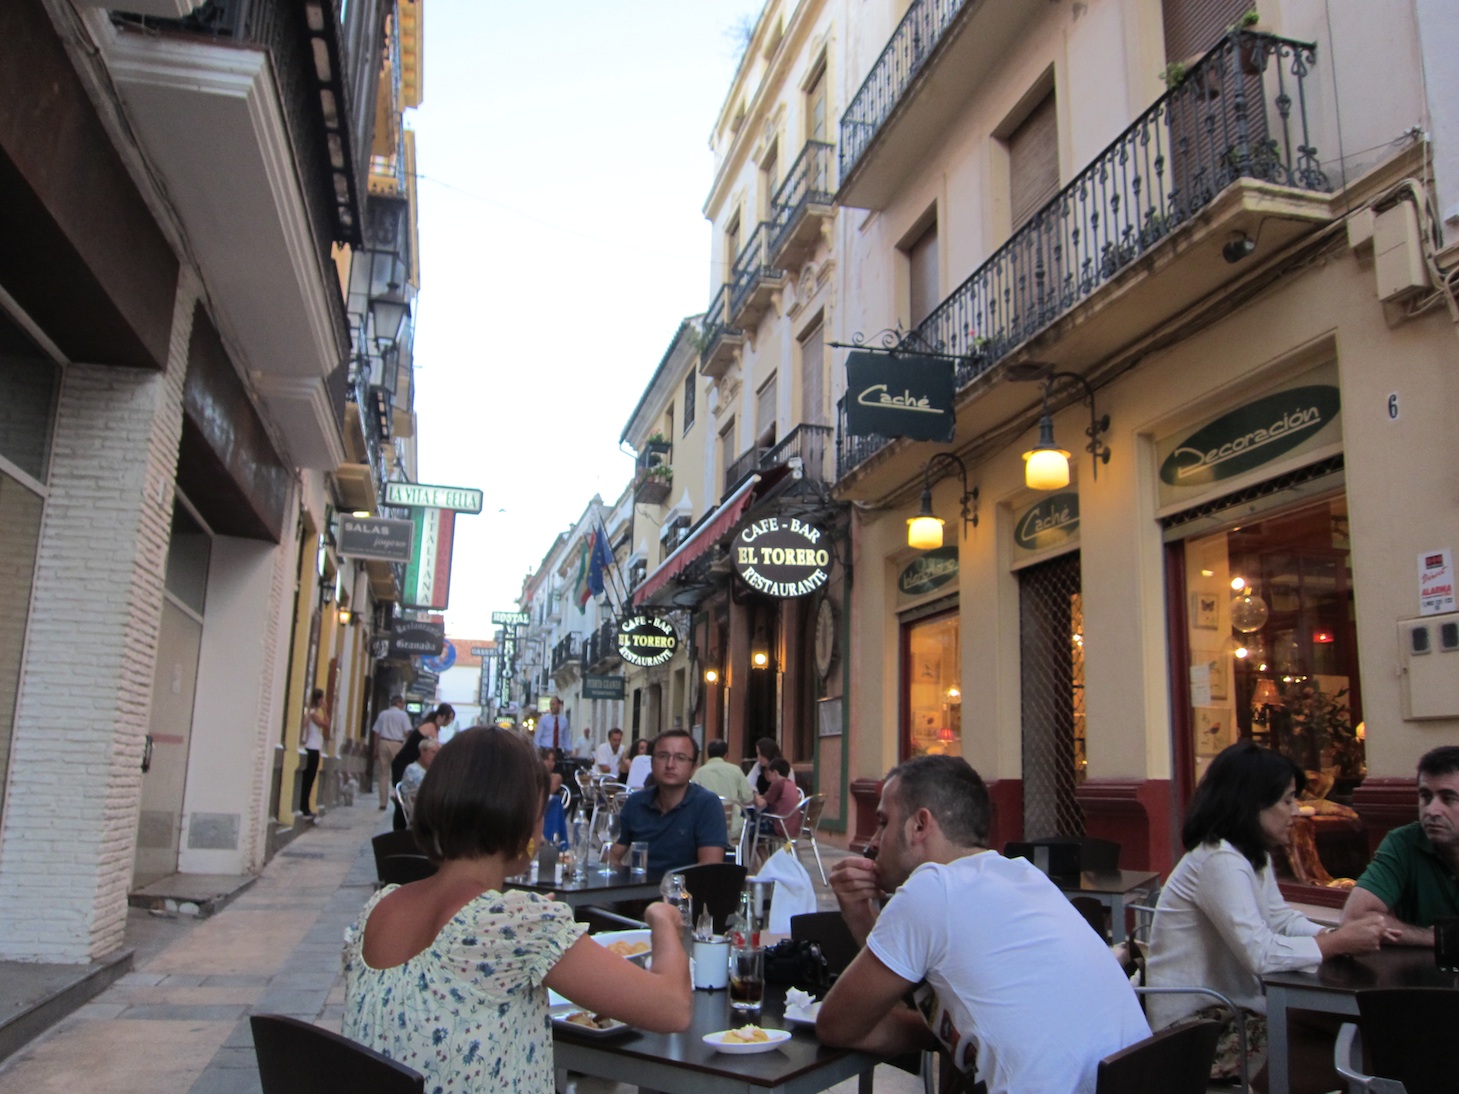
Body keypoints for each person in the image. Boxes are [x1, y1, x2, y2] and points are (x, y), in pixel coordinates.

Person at [342, 727, 690, 1093]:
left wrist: (527, 922)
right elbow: (672, 1008)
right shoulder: (518, 924)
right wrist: (664, 921)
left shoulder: (379, 908)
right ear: (520, 821)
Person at [816, 755, 1149, 1094]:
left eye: (883, 822)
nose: (873, 842)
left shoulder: (931, 888)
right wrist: (931, 1030)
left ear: (919, 826)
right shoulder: (1024, 874)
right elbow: (912, 999)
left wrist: (858, 916)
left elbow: (837, 1025)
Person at [1145, 742, 1395, 1088]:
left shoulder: (1250, 855)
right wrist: (1339, 942)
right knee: (1367, 1057)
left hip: (1239, 1010)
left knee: (1361, 1032)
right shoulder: (1219, 860)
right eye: (1287, 800)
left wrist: (1333, 935)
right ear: (1251, 803)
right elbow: (1259, 954)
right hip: (1197, 1029)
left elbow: (1280, 919)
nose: (1297, 811)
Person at [1340, 744, 1459, 944]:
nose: (1432, 810)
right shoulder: (1404, 842)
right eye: (1425, 796)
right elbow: (1355, 920)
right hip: (1427, 962)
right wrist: (1438, 938)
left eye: (1448, 799)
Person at [611, 730, 727, 874]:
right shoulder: (635, 802)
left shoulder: (707, 804)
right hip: (639, 886)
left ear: (693, 767)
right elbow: (611, 856)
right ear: (652, 763)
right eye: (662, 756)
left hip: (686, 887)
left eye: (680, 758)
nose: (670, 764)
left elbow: (709, 868)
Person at [391, 704, 455, 831]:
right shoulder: (431, 728)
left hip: (409, 763)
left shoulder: (432, 727)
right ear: (442, 716)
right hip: (404, 764)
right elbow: (434, 746)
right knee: (404, 799)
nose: (450, 722)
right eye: (449, 718)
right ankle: (401, 829)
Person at [691, 739, 755, 843]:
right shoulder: (736, 771)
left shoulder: (699, 773)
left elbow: (691, 799)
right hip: (733, 829)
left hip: (706, 828)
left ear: (708, 755)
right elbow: (748, 799)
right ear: (726, 755)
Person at [370, 695, 412, 811]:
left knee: (383, 774)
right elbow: (408, 732)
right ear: (399, 703)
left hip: (383, 742)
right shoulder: (403, 715)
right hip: (397, 744)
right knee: (398, 772)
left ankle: (383, 802)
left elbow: (376, 732)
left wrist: (375, 749)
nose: (403, 705)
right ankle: (397, 797)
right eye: (402, 703)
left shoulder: (383, 714)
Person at [298, 688, 330, 821]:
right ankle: (304, 807)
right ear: (318, 699)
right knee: (309, 779)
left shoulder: (312, 713)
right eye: (322, 698)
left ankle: (305, 806)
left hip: (314, 747)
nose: (323, 701)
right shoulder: (313, 714)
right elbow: (326, 724)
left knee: (310, 779)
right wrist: (325, 710)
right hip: (312, 748)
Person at [396, 736, 440, 822]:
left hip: (427, 809)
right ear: (422, 752)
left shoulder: (430, 770)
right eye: (433, 752)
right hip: (419, 813)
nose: (436, 756)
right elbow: (428, 791)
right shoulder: (413, 770)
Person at [756, 757, 802, 837]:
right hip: (794, 827)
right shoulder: (791, 784)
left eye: (769, 773)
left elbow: (761, 803)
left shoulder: (778, 784)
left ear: (775, 773)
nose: (768, 778)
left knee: (751, 826)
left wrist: (753, 794)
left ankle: (756, 846)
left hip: (781, 827)